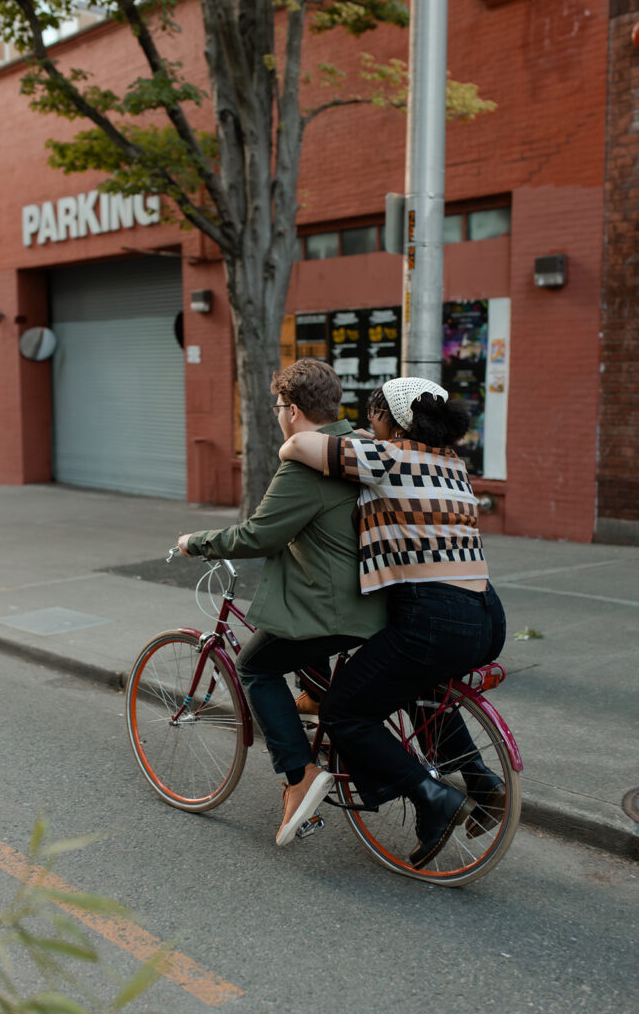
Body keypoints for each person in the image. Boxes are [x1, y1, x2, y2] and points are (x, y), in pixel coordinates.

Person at [279, 376, 507, 868]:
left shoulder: (386, 457)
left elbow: (298, 442)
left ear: (391, 417)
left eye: (373, 412)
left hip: (433, 615)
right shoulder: (453, 465)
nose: (367, 421)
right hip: (485, 616)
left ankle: (431, 798)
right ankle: (482, 779)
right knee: (410, 684)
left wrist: (298, 445)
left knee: (343, 711)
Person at [177, 359, 386, 847]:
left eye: (277, 406)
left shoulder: (305, 465)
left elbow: (259, 533)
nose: (277, 414)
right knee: (290, 632)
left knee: (255, 667)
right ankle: (316, 697)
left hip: (336, 606)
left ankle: (299, 775)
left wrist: (198, 541)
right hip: (371, 597)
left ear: (291, 410)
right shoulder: (355, 445)